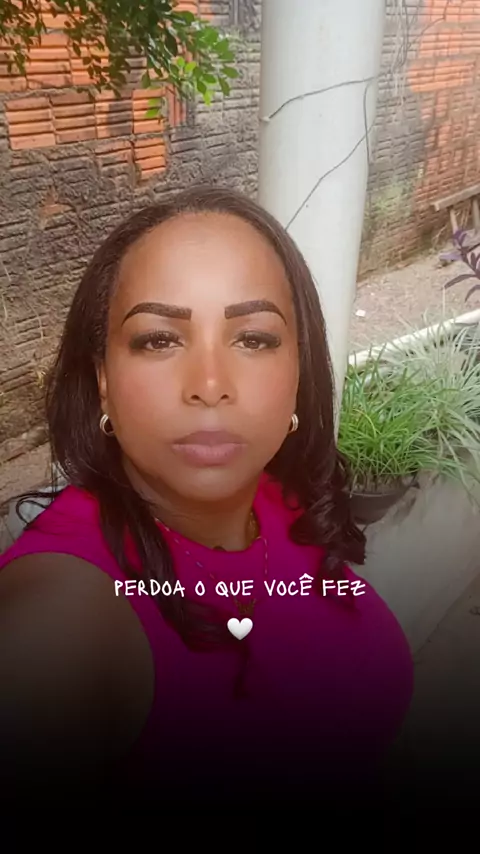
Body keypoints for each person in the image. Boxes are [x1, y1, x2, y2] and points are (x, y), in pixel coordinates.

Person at [0, 186, 413, 807]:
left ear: (298, 372)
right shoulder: (59, 621)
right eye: (159, 340)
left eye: (254, 339)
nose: (211, 384)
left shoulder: (279, 496)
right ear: (103, 379)